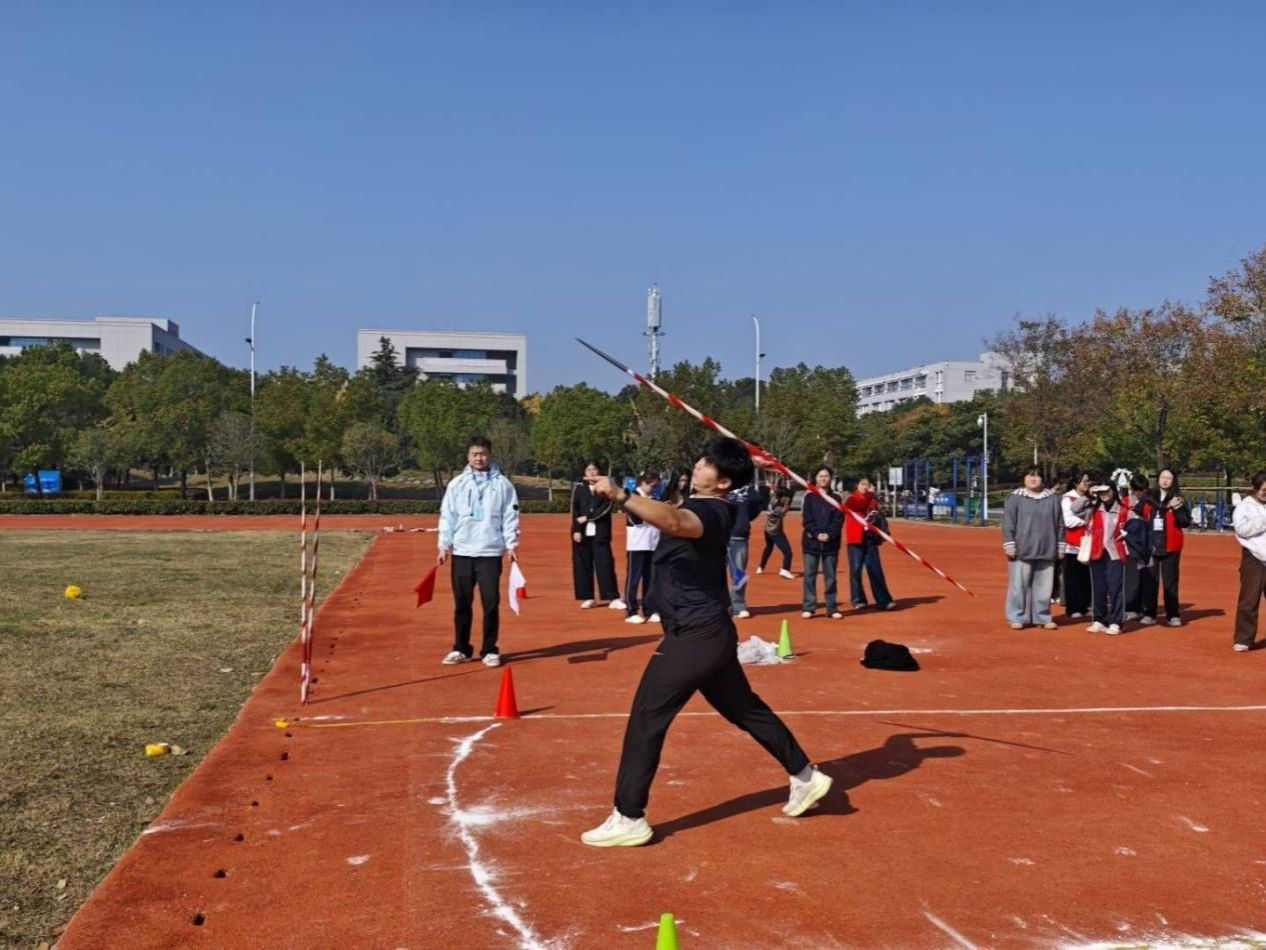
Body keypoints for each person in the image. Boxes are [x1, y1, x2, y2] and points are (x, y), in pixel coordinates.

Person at [580, 437, 832, 847]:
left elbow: (677, 523)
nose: (698, 466)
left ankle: (629, 816)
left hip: (696, 634)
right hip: (707, 631)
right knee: (745, 709)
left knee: (647, 716)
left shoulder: (710, 511)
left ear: (724, 482)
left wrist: (622, 495)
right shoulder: (707, 502)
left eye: (708, 464)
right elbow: (676, 513)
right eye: (700, 460)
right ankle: (806, 776)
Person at [437, 435, 520, 668]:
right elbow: (447, 515)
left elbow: (511, 516)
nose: (478, 458)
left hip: (490, 551)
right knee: (462, 603)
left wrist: (511, 544)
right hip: (462, 550)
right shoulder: (457, 484)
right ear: (468, 456)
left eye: (483, 454)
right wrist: (444, 545)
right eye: (474, 454)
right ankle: (461, 648)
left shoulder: (503, 485)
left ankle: (490, 649)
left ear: (489, 455)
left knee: (490, 603)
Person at [1001, 467, 1063, 630]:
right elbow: (1008, 523)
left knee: (1044, 588)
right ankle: (1017, 617)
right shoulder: (1015, 498)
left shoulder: (1053, 499)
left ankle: (1042, 617)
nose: (1033, 479)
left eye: (1037, 476)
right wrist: (1009, 544)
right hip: (1022, 550)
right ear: (1024, 479)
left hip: (1047, 549)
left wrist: (1060, 545)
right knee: (1018, 587)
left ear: (1043, 479)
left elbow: (1060, 523)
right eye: (1029, 476)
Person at [571, 461, 624, 611]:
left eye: (594, 469)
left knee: (605, 563)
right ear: (584, 473)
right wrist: (576, 530)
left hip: (601, 532)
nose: (592, 472)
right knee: (582, 565)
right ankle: (588, 597)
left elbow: (606, 508)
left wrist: (588, 517)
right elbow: (575, 510)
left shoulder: (606, 489)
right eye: (588, 470)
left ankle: (613, 597)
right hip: (582, 534)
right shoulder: (579, 489)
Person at [1084, 481, 1129, 635]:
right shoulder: (1094, 509)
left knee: (1115, 587)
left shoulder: (1123, 510)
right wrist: (1088, 494)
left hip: (1115, 553)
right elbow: (1075, 509)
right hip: (1096, 552)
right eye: (1100, 491)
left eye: (1106, 490)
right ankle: (1099, 619)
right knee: (1098, 587)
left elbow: (1134, 525)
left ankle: (1116, 621)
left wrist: (1126, 541)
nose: (1103, 494)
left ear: (1113, 491)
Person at [844, 475, 895, 610]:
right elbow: (858, 506)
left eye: (867, 484)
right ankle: (858, 599)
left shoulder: (872, 500)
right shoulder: (851, 499)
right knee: (856, 570)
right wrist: (871, 494)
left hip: (870, 538)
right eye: (862, 484)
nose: (865, 487)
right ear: (856, 486)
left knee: (875, 569)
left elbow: (875, 511)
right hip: (855, 538)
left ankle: (883, 600)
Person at [801, 467, 844, 619]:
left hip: (831, 544)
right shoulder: (809, 497)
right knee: (809, 575)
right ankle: (809, 607)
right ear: (816, 478)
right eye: (820, 476)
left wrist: (829, 534)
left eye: (826, 476)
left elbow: (839, 520)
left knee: (830, 577)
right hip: (811, 542)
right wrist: (817, 534)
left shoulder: (836, 498)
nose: (823, 479)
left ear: (831, 479)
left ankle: (831, 608)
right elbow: (807, 519)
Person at [1150, 468, 1191, 626]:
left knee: (1171, 582)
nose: (1165, 480)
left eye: (1169, 478)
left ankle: (1173, 614)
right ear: (1158, 479)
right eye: (1163, 477)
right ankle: (1149, 613)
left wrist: (1176, 508)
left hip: (1171, 545)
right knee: (1150, 581)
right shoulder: (1150, 496)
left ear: (1173, 481)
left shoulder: (1178, 499)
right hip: (1151, 544)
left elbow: (1185, 522)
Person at [1232, 469, 1266, 652]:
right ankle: (1244, 639)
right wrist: (1263, 521)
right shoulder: (1244, 506)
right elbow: (1242, 529)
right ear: (1255, 488)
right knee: (1249, 599)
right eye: (1264, 490)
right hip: (1253, 557)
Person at [624, 471, 661, 625]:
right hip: (637, 543)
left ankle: (649, 609)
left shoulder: (654, 499)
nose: (654, 489)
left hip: (653, 542)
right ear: (643, 483)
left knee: (650, 578)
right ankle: (631, 611)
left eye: (656, 487)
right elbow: (636, 520)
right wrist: (652, 516)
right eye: (652, 486)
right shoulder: (632, 497)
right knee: (634, 577)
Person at [726, 478, 766, 620]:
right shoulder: (721, 485)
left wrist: (744, 519)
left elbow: (758, 505)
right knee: (716, 574)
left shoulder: (749, 491)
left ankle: (738, 605)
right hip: (720, 536)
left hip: (739, 537)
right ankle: (720, 605)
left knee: (739, 573)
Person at [1060, 469, 1094, 619]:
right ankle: (1073, 607)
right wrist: (1086, 522)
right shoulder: (1067, 499)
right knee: (1073, 577)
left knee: (1086, 577)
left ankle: (1084, 606)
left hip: (1087, 543)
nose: (1087, 484)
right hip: (1072, 544)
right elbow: (1067, 520)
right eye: (1084, 481)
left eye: (1088, 481)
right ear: (1075, 483)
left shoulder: (1090, 498)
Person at [757, 485, 796, 579]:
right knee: (788, 553)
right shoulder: (779, 509)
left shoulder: (773, 499)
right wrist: (787, 503)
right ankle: (785, 570)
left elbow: (775, 492)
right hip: (775, 532)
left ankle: (761, 567)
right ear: (782, 497)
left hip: (767, 529)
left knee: (768, 548)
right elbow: (784, 511)